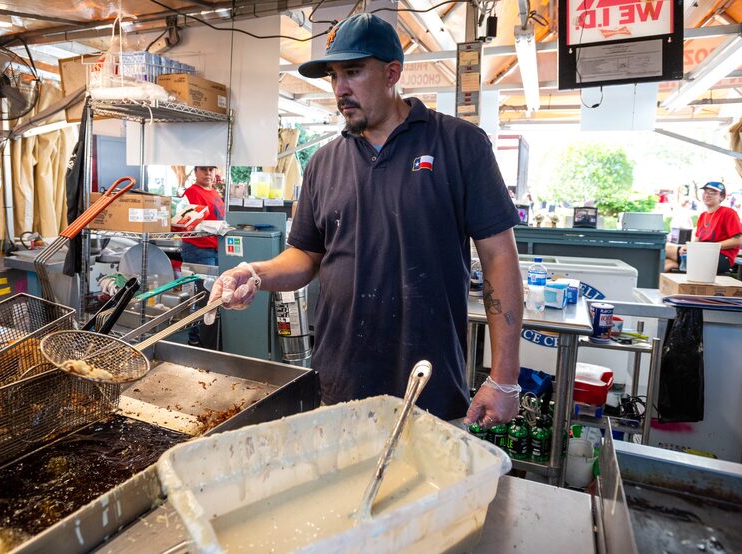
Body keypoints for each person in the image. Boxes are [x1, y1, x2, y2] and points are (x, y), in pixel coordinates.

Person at [206, 13, 523, 424]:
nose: (340, 89)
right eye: (334, 76)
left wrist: (504, 379)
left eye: (353, 72)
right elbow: (305, 255)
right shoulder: (323, 162)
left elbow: (500, 258)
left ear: (392, 72)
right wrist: (255, 272)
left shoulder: (459, 145)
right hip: (338, 385)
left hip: (427, 384)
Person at [181, 165, 225, 346]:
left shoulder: (214, 192)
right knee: (202, 297)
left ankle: (210, 339)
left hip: (215, 249)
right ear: (195, 172)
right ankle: (196, 340)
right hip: (198, 250)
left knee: (214, 296)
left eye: (211, 169)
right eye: (203, 169)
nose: (208, 173)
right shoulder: (191, 192)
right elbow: (187, 221)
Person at [664, 182, 742, 273]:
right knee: (667, 263)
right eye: (705, 192)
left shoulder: (728, 213)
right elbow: (698, 240)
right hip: (702, 254)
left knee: (666, 248)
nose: (707, 195)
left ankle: (681, 267)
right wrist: (688, 247)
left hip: (720, 257)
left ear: (721, 197)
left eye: (712, 192)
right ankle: (677, 270)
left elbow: (738, 240)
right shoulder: (703, 216)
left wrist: (708, 247)